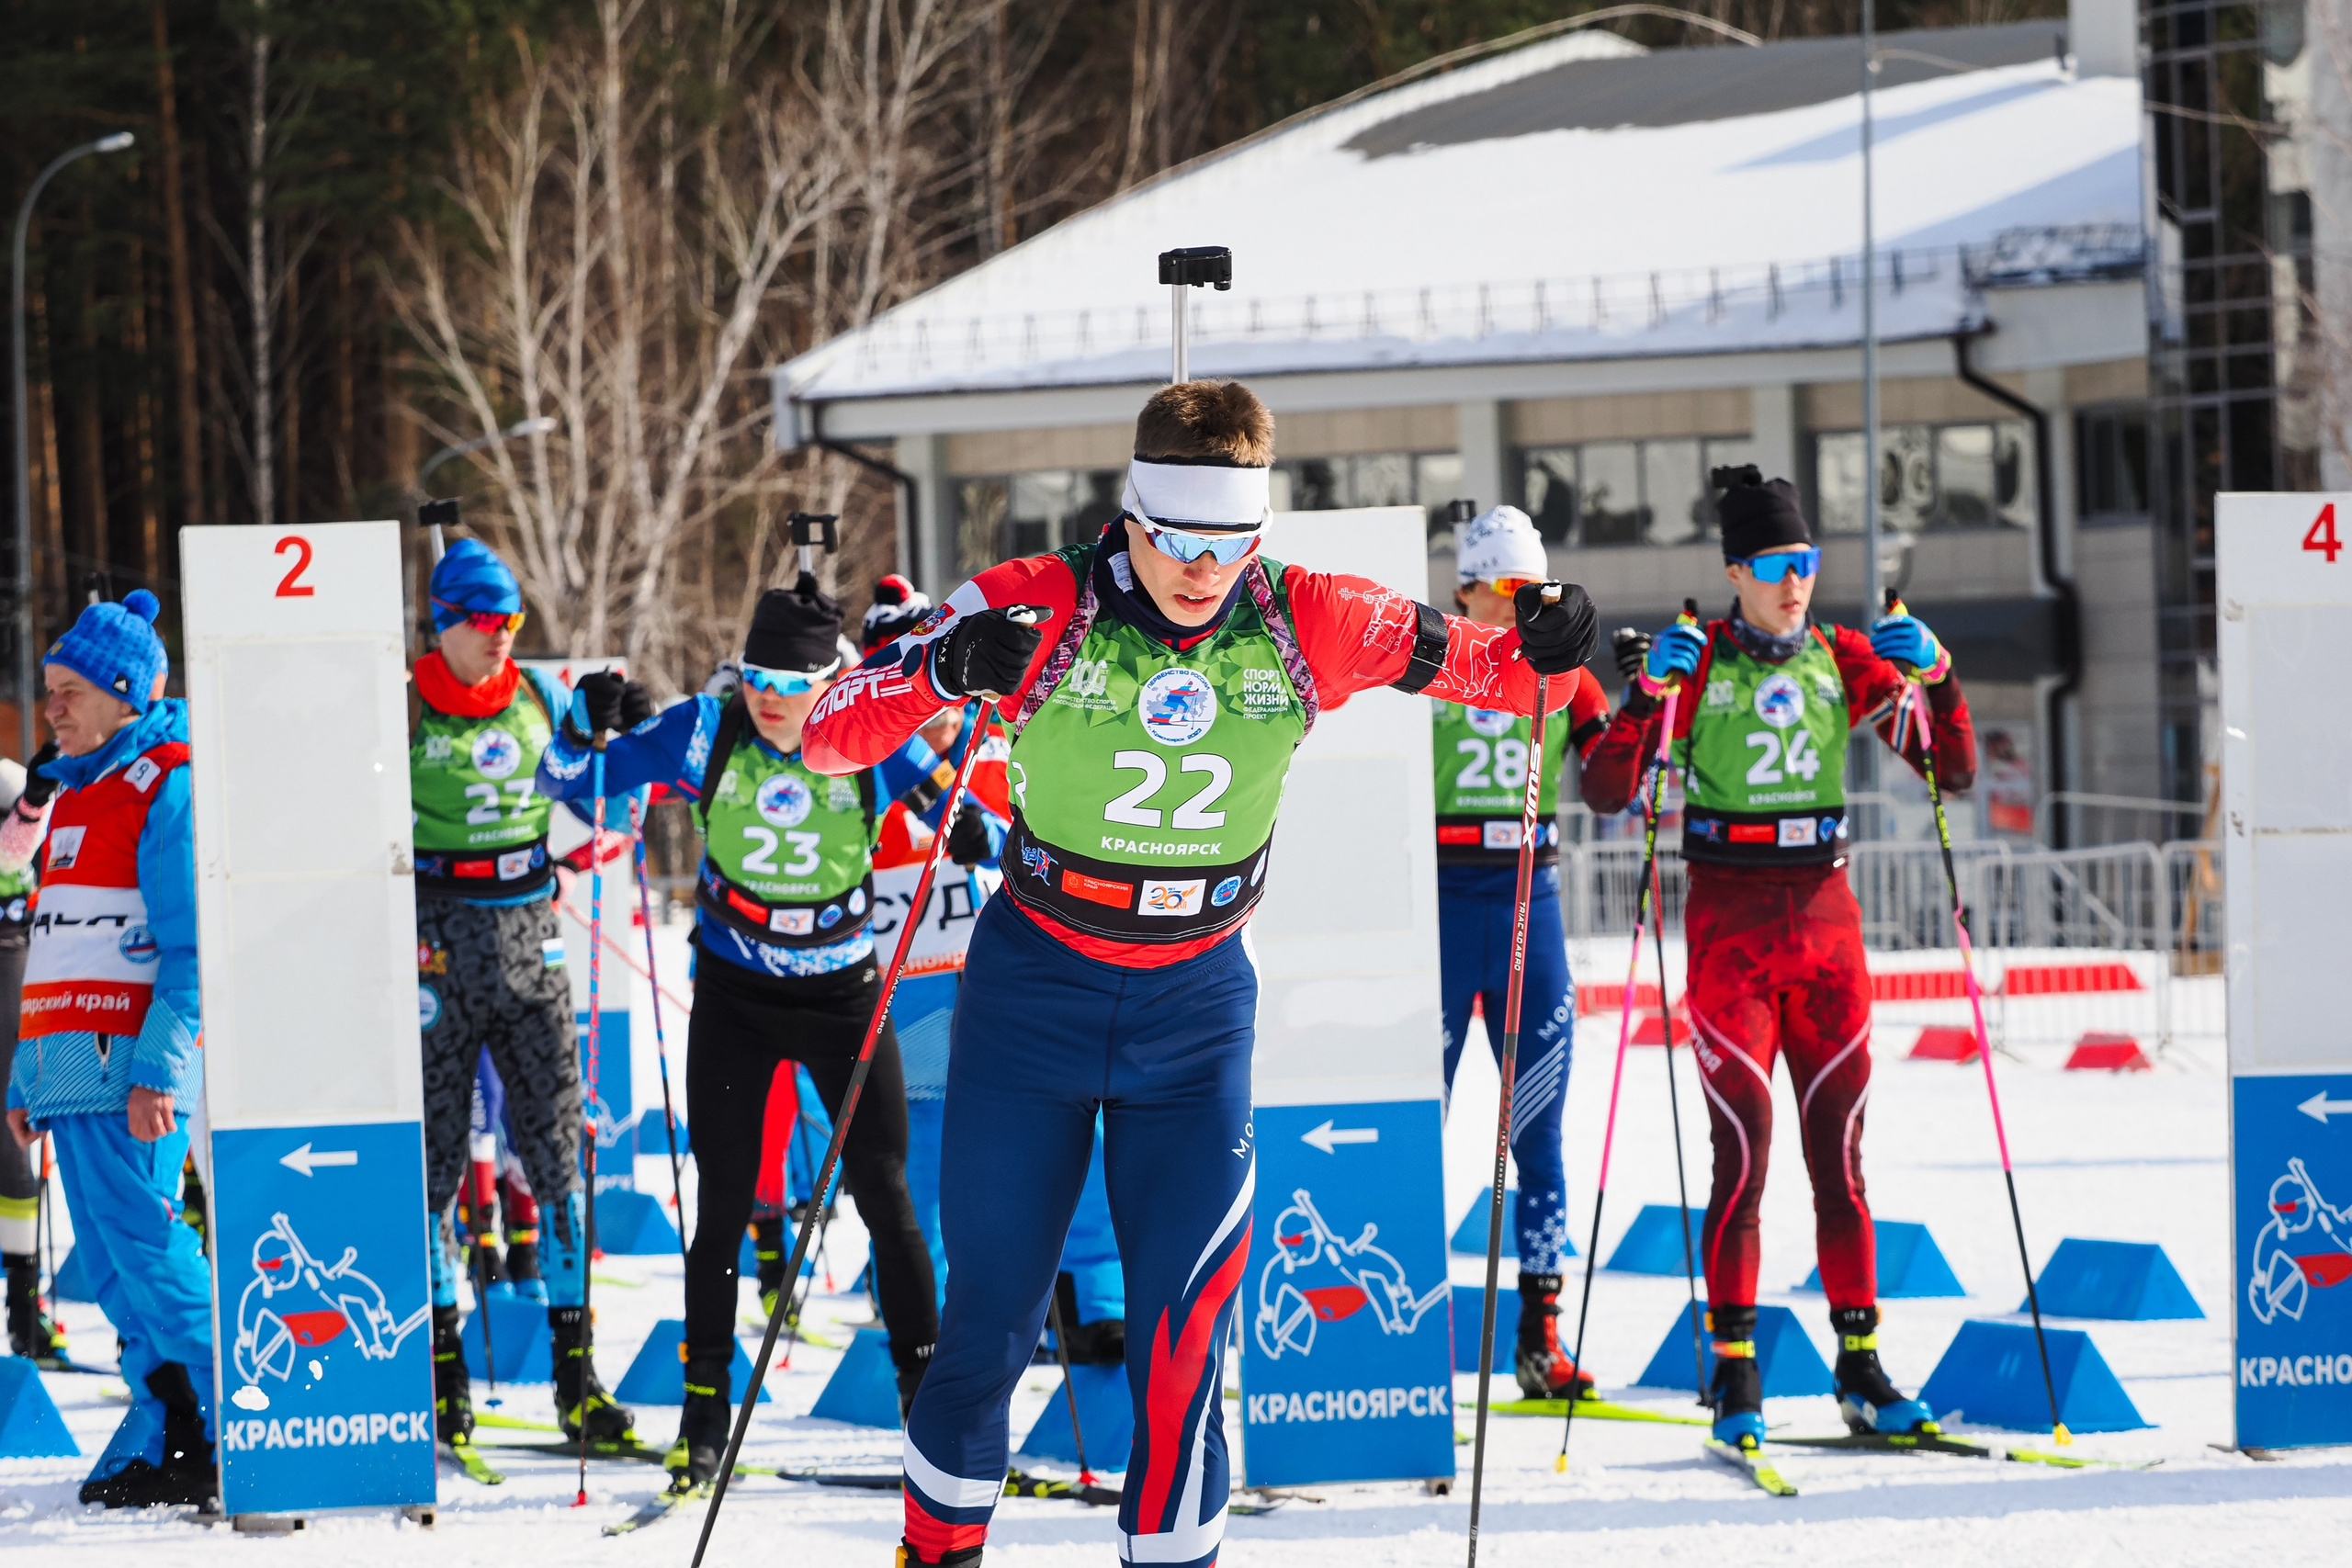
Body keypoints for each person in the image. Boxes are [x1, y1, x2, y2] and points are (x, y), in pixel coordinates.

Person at [801, 378, 1598, 1568]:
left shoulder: (1308, 614)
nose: (1201, 570)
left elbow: (1510, 677)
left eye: (1230, 543)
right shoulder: (1037, 599)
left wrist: (1557, 642)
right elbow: (828, 733)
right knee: (989, 1330)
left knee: (1183, 1355)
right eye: (1176, 540)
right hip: (1033, 1001)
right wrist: (943, 666)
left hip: (1193, 1015)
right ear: (1130, 514)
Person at [539, 574, 990, 1491]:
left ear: (830, 681)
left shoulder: (870, 733)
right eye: (757, 679)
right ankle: (705, 1414)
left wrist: (971, 829)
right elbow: (570, 785)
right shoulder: (705, 731)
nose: (772, 701)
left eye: (792, 686)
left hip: (842, 995)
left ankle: (926, 1405)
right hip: (736, 996)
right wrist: (582, 726)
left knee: (886, 1195)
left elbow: (957, 805)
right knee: (722, 1207)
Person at [1579, 467, 1976, 1456]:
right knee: (1745, 1152)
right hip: (1732, 931)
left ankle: (1860, 1367)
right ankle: (1736, 1372)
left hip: (1828, 929)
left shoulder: (1844, 657)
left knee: (1840, 1156)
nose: (1793, 582)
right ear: (1734, 572)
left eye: (1804, 562)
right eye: (1771, 565)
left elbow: (1953, 768)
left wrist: (1939, 673)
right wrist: (1645, 694)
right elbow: (1606, 789)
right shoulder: (1697, 662)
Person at [410, 539, 634, 1452]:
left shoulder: (539, 694)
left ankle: (577, 1377)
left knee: (555, 1153)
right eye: (482, 619)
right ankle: (443, 1373)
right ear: (443, 622)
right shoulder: (405, 701)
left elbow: (590, 795)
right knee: (435, 1161)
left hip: (530, 934)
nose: (500, 633)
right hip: (436, 938)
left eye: (511, 618)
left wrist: (599, 739)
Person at [4, 591, 214, 1507]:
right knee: (119, 1271)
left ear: (126, 692)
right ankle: (170, 1429)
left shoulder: (166, 780)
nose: (50, 706)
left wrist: (158, 1068)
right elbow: (56, 948)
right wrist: (27, 1074)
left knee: (155, 1256)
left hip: (128, 1070)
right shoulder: (76, 792)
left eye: (70, 691)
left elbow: (190, 946)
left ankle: (238, 1420)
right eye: (49, 688)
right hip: (69, 1066)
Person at [1431, 504, 1611, 1400]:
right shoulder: (1429, 659)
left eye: (1529, 589)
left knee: (1538, 1133)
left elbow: (1613, 780)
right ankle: (1400, 1336)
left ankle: (1540, 1339)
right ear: (1463, 589)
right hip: (1435, 907)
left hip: (1526, 908)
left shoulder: (1564, 669)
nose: (1513, 606)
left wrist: (1642, 713)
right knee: (1412, 1129)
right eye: (1498, 588)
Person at [1, 752, 70, 1364]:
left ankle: (25, 1312)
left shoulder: (7, 779)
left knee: (9, 1147)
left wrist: (31, 801)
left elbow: (12, 854)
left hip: (8, 955)